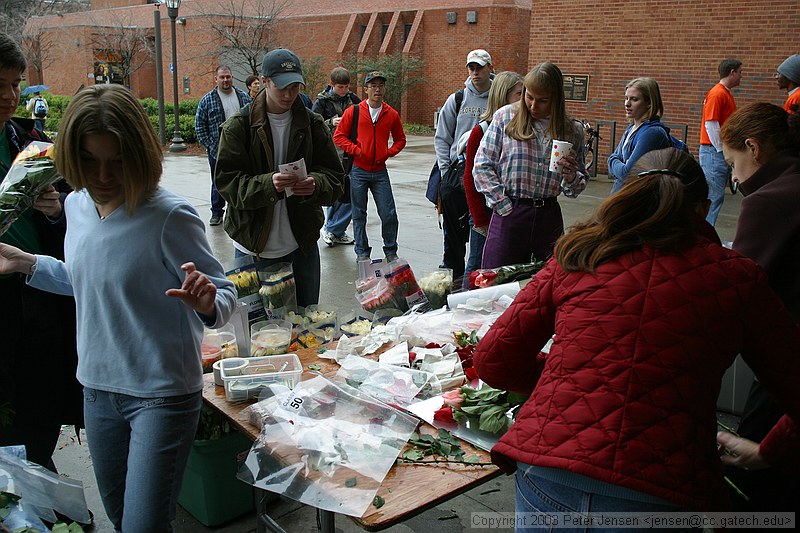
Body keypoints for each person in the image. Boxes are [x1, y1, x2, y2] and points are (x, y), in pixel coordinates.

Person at [473, 147, 800, 517]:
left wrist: (570, 377)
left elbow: (493, 361)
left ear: (626, 195)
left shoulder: (579, 255)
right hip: (662, 488)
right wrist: (768, 452)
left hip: (549, 471)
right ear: (705, 206)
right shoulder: (736, 276)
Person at [0, 83, 238, 531]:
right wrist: (27, 263)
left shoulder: (169, 215)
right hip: (97, 390)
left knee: (142, 525)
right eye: (89, 160)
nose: (103, 175)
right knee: (117, 514)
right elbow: (88, 279)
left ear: (139, 154)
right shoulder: (76, 205)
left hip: (161, 395)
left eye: (117, 160)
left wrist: (208, 302)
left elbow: (225, 295)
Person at [0, 31, 82, 473]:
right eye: (0, 85)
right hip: (1, 299)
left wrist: (55, 210)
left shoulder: (29, 142)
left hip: (37, 287)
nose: (10, 96)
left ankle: (42, 475)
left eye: (15, 84)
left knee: (46, 391)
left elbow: (69, 212)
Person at [715, 102, 800, 512]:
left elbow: (735, 293)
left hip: (786, 360)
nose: (732, 177)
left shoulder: (769, 200)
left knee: (751, 481)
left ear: (754, 148)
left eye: (732, 163)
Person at [215, 48, 344, 307]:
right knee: (260, 335)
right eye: (281, 87)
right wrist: (268, 184)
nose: (288, 94)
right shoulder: (238, 126)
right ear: (264, 82)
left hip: (301, 245)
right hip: (252, 247)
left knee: (307, 329)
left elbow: (336, 179)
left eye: (295, 87)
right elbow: (227, 184)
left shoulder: (312, 123)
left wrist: (316, 184)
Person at [472, 62, 587, 269]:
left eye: (543, 101)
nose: (533, 106)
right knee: (496, 282)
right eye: (529, 97)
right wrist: (503, 205)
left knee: (549, 282)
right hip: (511, 212)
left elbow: (577, 185)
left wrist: (571, 177)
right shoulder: (505, 116)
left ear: (557, 99)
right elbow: (482, 165)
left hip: (548, 215)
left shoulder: (571, 130)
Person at [333, 70, 406, 263]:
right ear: (366, 89)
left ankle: (391, 250)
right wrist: (357, 151)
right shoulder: (354, 111)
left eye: (380, 85)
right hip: (358, 171)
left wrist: (388, 153)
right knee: (359, 214)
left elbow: (400, 139)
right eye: (373, 86)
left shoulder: (391, 114)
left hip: (380, 171)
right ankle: (362, 252)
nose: (377, 89)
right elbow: (338, 136)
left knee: (388, 213)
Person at [434, 49, 493, 280]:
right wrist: (445, 170)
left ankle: (475, 275)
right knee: (453, 231)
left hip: (486, 174)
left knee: (479, 226)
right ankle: (453, 273)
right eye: (471, 68)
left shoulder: (499, 97)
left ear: (490, 67)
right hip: (457, 172)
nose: (475, 72)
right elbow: (442, 137)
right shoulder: (457, 99)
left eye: (480, 67)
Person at [462, 71, 523, 286]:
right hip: (485, 213)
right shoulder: (482, 130)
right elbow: (470, 178)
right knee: (477, 266)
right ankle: (462, 305)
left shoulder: (520, 128)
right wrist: (480, 219)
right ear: (503, 95)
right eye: (519, 94)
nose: (523, 99)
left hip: (508, 211)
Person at [194, 65, 251, 227]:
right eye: (222, 77)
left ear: (232, 77)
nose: (226, 80)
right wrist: (210, 146)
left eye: (228, 77)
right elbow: (200, 126)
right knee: (218, 181)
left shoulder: (243, 98)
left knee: (243, 179)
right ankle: (217, 212)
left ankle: (242, 208)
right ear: (216, 79)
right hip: (217, 150)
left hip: (242, 149)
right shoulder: (207, 100)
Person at [312, 66, 361, 247]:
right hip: (330, 151)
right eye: (340, 87)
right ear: (332, 85)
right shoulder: (322, 102)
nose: (344, 91)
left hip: (350, 151)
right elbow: (312, 125)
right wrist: (330, 123)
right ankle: (332, 228)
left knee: (347, 192)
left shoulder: (353, 99)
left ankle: (334, 229)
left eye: (346, 87)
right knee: (335, 191)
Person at [607, 77, 673, 193]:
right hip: (622, 197)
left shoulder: (652, 133)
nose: (627, 104)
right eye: (626, 98)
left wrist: (614, 161)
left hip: (637, 201)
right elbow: (612, 161)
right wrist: (614, 161)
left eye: (634, 99)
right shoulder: (631, 128)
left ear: (649, 103)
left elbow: (628, 173)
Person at [699, 58, 742, 226]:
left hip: (714, 151)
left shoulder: (723, 93)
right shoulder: (718, 94)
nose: (741, 76)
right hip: (713, 151)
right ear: (732, 72)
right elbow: (711, 124)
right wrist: (721, 150)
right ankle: (705, 234)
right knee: (713, 197)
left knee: (715, 196)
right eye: (740, 72)